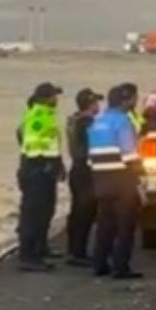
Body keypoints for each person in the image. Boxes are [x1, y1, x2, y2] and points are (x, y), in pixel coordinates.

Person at [87, 83, 145, 280]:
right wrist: (141, 175)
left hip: (100, 179)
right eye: (134, 98)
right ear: (126, 100)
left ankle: (99, 264)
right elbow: (129, 154)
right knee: (125, 225)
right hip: (121, 179)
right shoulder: (122, 121)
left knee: (105, 224)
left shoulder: (97, 120)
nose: (135, 101)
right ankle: (121, 267)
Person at [14, 82, 64, 271]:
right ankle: (28, 256)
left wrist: (56, 163)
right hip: (36, 169)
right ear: (45, 98)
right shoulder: (38, 116)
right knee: (32, 214)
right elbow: (34, 143)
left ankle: (40, 248)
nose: (56, 100)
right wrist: (46, 163)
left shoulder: (46, 115)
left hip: (44, 168)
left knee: (45, 211)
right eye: (53, 96)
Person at [62, 87, 101, 265]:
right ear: (90, 104)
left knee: (77, 211)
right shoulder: (87, 122)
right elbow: (93, 146)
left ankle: (74, 250)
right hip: (86, 169)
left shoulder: (73, 119)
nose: (98, 106)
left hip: (77, 169)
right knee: (84, 213)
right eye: (96, 103)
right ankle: (79, 253)